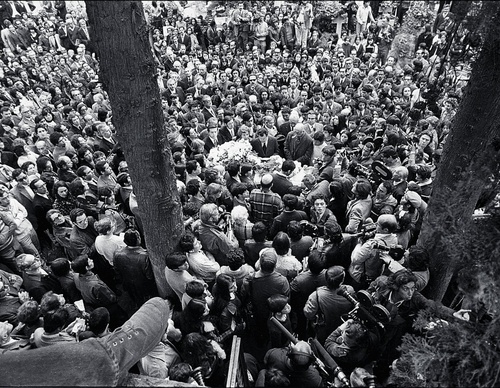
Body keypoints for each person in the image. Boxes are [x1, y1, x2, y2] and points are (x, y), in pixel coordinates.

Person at [303, 266, 353, 344]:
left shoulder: (316, 295)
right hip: (343, 327)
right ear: (341, 281)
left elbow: (308, 313)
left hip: (324, 329)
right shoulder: (349, 291)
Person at [113, 229, 159, 311]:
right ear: (138, 240)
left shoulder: (117, 253)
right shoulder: (144, 256)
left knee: (134, 297)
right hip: (143, 285)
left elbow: (116, 270)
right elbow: (149, 276)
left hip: (128, 283)